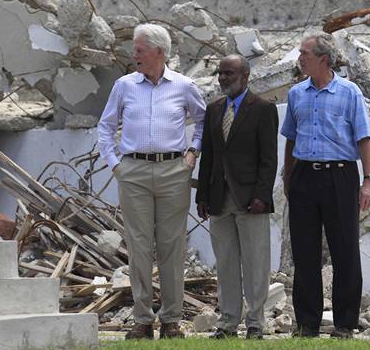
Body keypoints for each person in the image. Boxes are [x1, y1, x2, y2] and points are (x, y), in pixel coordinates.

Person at [98, 23, 206, 340]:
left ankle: (171, 320)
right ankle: (142, 320)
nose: (134, 55)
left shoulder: (185, 86)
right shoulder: (123, 86)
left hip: (174, 171)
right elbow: (105, 127)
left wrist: (192, 155)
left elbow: (202, 122)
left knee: (172, 246)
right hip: (133, 172)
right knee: (139, 247)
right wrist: (116, 165)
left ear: (159, 52)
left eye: (139, 50)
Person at [281, 32, 370, 339]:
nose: (300, 58)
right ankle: (307, 323)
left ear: (323, 59)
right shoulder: (296, 94)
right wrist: (288, 175)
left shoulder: (350, 93)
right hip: (304, 175)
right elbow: (291, 138)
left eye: (305, 53)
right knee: (304, 250)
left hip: (340, 175)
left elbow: (363, 139)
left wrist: (368, 181)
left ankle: (344, 323)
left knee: (344, 248)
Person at [196, 54, 278, 340]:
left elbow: (269, 159)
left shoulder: (264, 108)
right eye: (220, 73)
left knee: (256, 263)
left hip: (251, 199)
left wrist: (261, 196)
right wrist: (202, 196)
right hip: (219, 198)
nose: (223, 78)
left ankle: (255, 323)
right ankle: (228, 323)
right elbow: (208, 157)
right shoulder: (214, 109)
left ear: (245, 77)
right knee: (226, 262)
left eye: (229, 73)